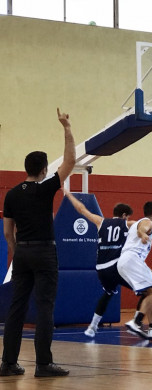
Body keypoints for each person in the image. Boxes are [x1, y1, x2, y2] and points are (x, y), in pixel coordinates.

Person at [1, 109, 75, 377]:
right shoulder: (45, 188)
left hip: (22, 253)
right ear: (44, 170)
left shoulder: (11, 194)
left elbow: (8, 231)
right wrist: (66, 128)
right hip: (44, 252)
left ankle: (8, 363)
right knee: (44, 307)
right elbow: (70, 160)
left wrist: (16, 250)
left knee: (16, 308)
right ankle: (43, 365)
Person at [62, 190, 152, 339]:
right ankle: (138, 322)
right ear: (125, 215)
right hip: (117, 266)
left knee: (108, 294)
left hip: (101, 269)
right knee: (149, 292)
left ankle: (92, 326)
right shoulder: (128, 223)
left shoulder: (100, 221)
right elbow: (145, 226)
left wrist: (68, 195)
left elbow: (82, 210)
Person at [117, 201, 152, 342]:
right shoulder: (147, 223)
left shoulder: (140, 222)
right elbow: (144, 229)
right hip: (132, 259)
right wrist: (142, 235)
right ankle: (136, 322)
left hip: (125, 262)